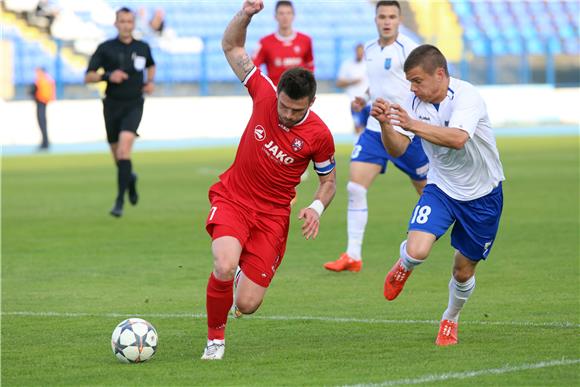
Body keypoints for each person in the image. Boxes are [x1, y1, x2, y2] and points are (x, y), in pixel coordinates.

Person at [201, 0, 336, 360]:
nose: (289, 115)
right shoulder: (261, 92)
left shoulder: (320, 135)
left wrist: (316, 207)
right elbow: (232, 46)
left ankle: (240, 281)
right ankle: (215, 340)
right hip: (234, 198)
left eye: (298, 109)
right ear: (276, 93)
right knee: (224, 265)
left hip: (273, 216)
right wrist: (245, 14)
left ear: (312, 101)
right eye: (284, 106)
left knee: (247, 303)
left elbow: (328, 182)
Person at [372, 44, 505, 345]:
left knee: (462, 271)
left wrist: (411, 124)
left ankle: (450, 318)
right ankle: (404, 264)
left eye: (417, 81)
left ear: (440, 74)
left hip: (483, 196)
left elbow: (458, 139)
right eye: (410, 82)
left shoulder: (467, 96)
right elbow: (400, 149)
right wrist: (385, 125)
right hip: (441, 188)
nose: (412, 88)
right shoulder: (412, 101)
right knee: (418, 250)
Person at [324, 0, 429, 273]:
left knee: (428, 192)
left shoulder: (410, 50)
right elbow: (379, 83)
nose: (386, 21)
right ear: (375, 19)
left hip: (405, 130)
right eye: (382, 16)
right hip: (374, 128)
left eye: (392, 17)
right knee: (354, 187)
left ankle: (431, 238)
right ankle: (353, 255)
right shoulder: (370, 49)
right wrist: (365, 97)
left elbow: (420, 85)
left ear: (399, 19)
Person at [84, 7, 156, 218]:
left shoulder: (143, 47)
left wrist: (150, 82)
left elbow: (151, 65)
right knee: (118, 157)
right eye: (122, 21)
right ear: (116, 24)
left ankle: (119, 202)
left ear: (133, 24)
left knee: (125, 151)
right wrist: (107, 75)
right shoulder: (105, 48)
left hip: (134, 104)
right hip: (112, 105)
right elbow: (88, 76)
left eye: (129, 21)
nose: (126, 25)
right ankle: (130, 179)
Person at [252, 0, 314, 85]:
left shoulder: (306, 40)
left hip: (299, 93)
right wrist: (264, 86)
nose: (285, 17)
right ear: (275, 16)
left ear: (293, 16)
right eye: (281, 13)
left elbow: (310, 66)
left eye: (288, 13)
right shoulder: (264, 42)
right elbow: (253, 68)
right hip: (275, 93)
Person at [336, 43, 369, 136]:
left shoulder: (369, 64)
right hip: (354, 101)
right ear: (355, 51)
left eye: (362, 51)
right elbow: (339, 83)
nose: (360, 53)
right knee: (358, 127)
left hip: (368, 102)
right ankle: (357, 146)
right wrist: (352, 82)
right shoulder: (347, 64)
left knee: (370, 127)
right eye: (358, 51)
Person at [30, 66, 55, 150]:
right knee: (43, 122)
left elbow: (33, 90)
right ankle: (45, 141)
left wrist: (32, 95)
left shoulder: (40, 79)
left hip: (40, 101)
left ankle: (45, 142)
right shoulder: (47, 79)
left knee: (41, 122)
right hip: (44, 101)